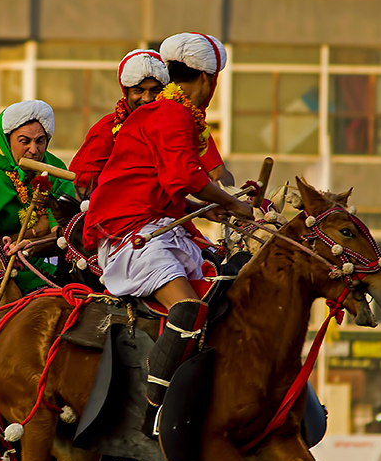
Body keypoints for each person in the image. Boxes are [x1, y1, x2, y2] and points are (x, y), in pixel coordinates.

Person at [83, 32, 255, 407]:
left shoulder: (172, 115)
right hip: (131, 236)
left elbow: (173, 187)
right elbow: (185, 178)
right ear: (209, 80)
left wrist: (212, 206)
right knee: (190, 310)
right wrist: (233, 205)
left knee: (221, 288)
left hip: (156, 229)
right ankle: (156, 408)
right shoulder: (171, 114)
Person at [71, 49, 235, 197]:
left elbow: (218, 173)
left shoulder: (184, 124)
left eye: (155, 90)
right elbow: (80, 188)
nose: (147, 99)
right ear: (126, 92)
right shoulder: (106, 129)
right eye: (139, 90)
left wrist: (226, 196)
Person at [0, 100, 76, 292]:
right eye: (25, 142)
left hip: (49, 273)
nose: (34, 150)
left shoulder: (57, 173)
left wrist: (32, 243)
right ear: (7, 141)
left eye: (40, 141)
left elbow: (63, 231)